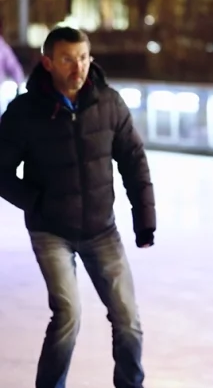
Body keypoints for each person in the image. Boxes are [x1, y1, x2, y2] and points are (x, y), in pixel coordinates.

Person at [0, 27, 156, 388]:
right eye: (68, 59)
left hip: (102, 229)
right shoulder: (24, 112)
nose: (78, 67)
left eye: (84, 57)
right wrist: (36, 201)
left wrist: (144, 220)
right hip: (50, 230)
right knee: (68, 313)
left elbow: (134, 159)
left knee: (128, 317)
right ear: (48, 62)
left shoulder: (108, 102)